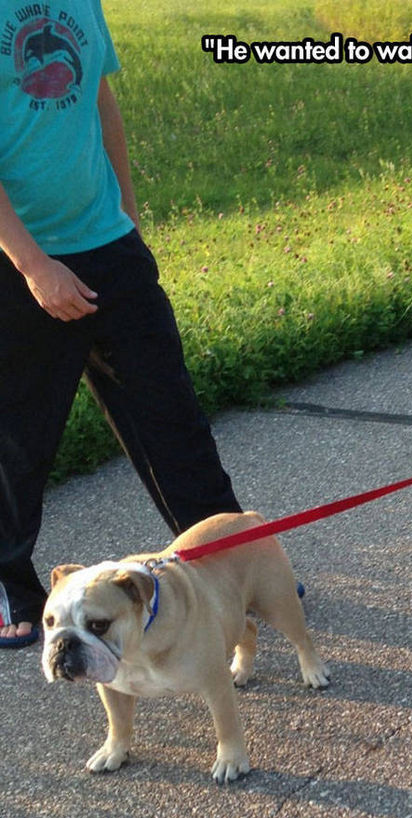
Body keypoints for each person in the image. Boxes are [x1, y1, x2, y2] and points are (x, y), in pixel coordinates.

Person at [0, 0, 243, 647]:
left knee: (173, 418)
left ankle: (233, 566)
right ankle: (13, 592)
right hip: (17, 260)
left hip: (109, 246)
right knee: (18, 436)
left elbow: (101, 102)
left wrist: (127, 217)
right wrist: (32, 265)